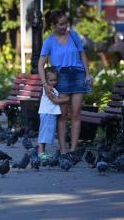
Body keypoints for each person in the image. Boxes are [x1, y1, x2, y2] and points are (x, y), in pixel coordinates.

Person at [38, 9, 92, 155]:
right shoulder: (49, 42)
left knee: (76, 114)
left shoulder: (74, 36)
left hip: (78, 76)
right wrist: (45, 84)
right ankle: (62, 150)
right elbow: (40, 64)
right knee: (62, 116)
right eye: (61, 24)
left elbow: (82, 54)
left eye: (66, 23)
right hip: (61, 78)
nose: (65, 27)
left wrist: (88, 74)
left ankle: (73, 149)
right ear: (53, 25)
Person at [37, 66, 69, 160]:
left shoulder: (53, 89)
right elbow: (55, 101)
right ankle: (40, 152)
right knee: (44, 133)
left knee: (46, 133)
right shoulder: (47, 89)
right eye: (51, 80)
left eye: (55, 80)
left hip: (50, 113)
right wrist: (66, 99)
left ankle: (42, 151)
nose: (53, 82)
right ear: (46, 80)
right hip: (47, 113)